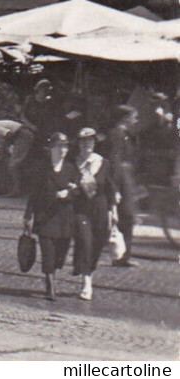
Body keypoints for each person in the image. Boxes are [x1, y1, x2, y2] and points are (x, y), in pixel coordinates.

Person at [23, 131, 78, 301]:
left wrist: (67, 194)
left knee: (61, 251)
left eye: (65, 147)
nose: (62, 150)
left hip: (64, 217)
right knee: (48, 252)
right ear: (51, 149)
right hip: (45, 216)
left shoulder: (70, 168)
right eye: (59, 147)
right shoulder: (41, 168)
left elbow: (77, 191)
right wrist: (28, 215)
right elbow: (33, 193)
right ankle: (50, 285)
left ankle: (53, 271)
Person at [71, 126, 113, 300]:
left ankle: (88, 269)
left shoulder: (103, 163)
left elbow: (110, 188)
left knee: (97, 244)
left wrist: (113, 212)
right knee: (86, 242)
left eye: (90, 141)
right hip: (80, 209)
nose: (86, 144)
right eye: (83, 141)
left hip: (100, 209)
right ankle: (86, 282)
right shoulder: (73, 163)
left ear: (95, 143)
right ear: (78, 143)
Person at [104, 104, 141, 267]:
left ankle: (123, 256)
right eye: (134, 117)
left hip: (127, 179)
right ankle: (120, 256)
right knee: (125, 217)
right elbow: (115, 161)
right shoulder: (118, 134)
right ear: (126, 118)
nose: (136, 120)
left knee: (127, 218)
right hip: (122, 180)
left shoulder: (125, 134)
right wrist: (116, 188)